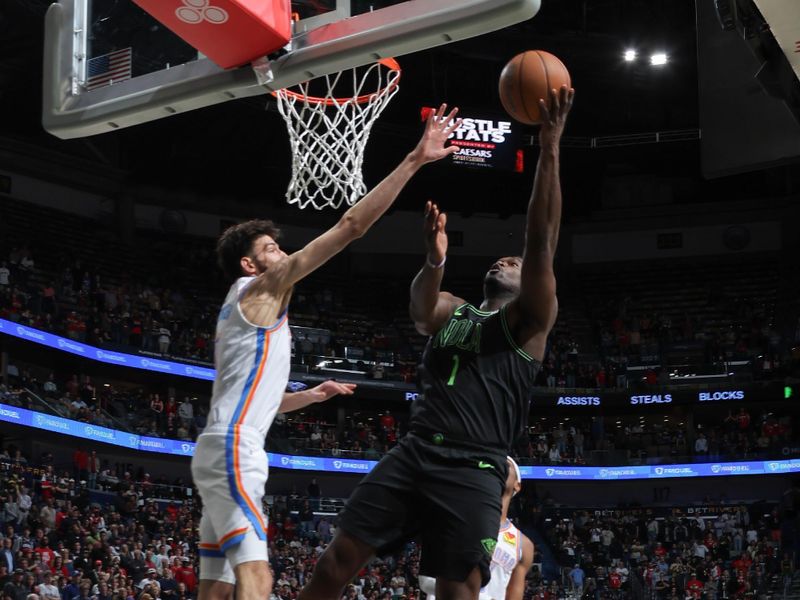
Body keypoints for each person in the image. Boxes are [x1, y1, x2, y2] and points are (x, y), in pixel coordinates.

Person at [299, 86, 573, 600]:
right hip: (416, 450)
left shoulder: (530, 322)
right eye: (499, 261)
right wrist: (433, 257)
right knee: (336, 560)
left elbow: (540, 240)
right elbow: (422, 311)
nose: (504, 262)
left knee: (456, 590)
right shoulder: (456, 310)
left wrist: (550, 146)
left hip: (475, 465)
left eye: (513, 264)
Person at [190, 104, 462, 600]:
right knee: (257, 576)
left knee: (214, 588)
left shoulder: (237, 313)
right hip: (235, 449)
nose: (282, 253)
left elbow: (255, 398)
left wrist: (312, 395)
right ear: (250, 263)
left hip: (219, 443)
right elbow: (351, 227)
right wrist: (414, 160)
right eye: (272, 248)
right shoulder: (258, 288)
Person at [417, 458, 534, 600]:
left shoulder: (523, 545)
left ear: (517, 485)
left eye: (506, 465)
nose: (499, 466)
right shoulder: (449, 520)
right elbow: (427, 581)